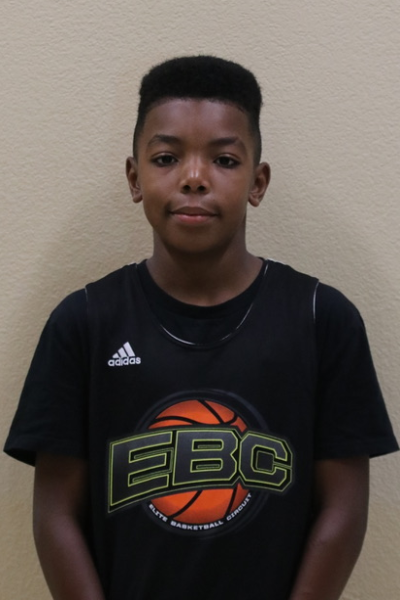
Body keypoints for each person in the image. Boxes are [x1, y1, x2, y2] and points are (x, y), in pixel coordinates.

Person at [4, 55, 398, 600]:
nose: (194, 178)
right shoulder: (85, 322)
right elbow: (55, 514)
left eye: (225, 160)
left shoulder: (321, 318)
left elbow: (343, 507)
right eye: (166, 158)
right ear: (135, 178)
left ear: (258, 182)